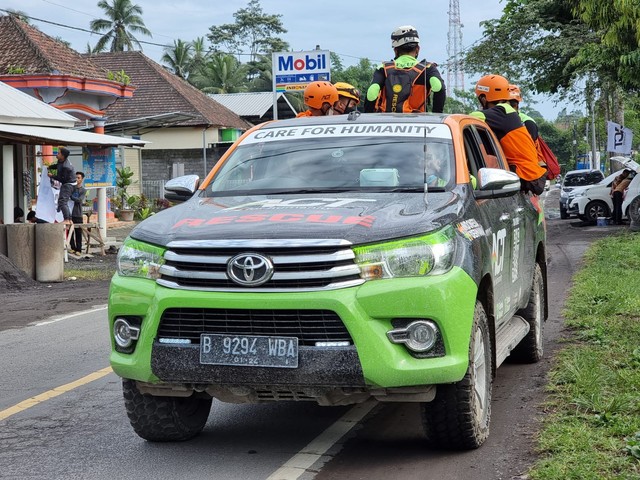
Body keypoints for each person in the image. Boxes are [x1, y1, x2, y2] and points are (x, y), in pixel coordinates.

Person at [470, 74, 547, 195]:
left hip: (526, 175)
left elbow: (471, 118)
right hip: (530, 174)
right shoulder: (507, 112)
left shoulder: (502, 112)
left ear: (484, 98)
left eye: (480, 98)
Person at [364, 25, 446, 114]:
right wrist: (437, 114)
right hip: (418, 123)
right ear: (417, 49)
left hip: (386, 122)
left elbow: (372, 92)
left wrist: (369, 116)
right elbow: (439, 88)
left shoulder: (383, 68)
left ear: (395, 50)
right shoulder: (428, 69)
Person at [47, 147, 76, 224]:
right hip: (67, 184)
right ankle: (69, 219)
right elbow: (57, 166)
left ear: (63, 156)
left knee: (63, 201)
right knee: (62, 201)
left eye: (58, 153)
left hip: (68, 184)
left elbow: (62, 179)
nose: (57, 154)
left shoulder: (66, 167)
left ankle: (67, 219)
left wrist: (52, 176)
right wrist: (49, 167)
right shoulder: (61, 161)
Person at [69, 171, 87, 255]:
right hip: (70, 213)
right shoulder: (72, 188)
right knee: (70, 232)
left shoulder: (83, 190)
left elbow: (79, 200)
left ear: (82, 179)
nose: (77, 179)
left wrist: (71, 197)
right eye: (76, 177)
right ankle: (73, 247)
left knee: (78, 232)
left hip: (78, 213)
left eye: (78, 178)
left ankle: (79, 249)